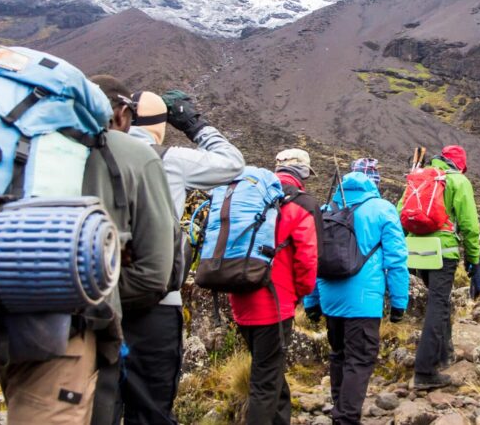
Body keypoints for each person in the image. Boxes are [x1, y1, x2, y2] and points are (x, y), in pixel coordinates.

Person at [111, 90, 243, 423]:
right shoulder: (170, 159)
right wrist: (195, 125)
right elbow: (232, 163)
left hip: (94, 299)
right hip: (155, 302)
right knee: (151, 409)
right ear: (161, 124)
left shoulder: (87, 154)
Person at [82, 75, 176, 425]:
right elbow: (155, 272)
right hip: (117, 316)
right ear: (122, 114)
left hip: (27, 321)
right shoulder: (140, 157)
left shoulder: (39, 150)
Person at [303, 168, 409, 425]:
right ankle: (346, 418)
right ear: (372, 185)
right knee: (360, 359)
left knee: (339, 354)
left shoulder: (328, 208)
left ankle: (340, 408)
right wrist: (399, 301)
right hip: (364, 301)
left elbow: (313, 257)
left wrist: (311, 301)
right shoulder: (382, 209)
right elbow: (396, 261)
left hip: (330, 299)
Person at [229, 149, 320, 425]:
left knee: (269, 370)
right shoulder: (300, 205)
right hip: (274, 305)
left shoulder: (249, 198)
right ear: (303, 172)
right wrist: (301, 294)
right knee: (265, 382)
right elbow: (307, 260)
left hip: (240, 297)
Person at [401, 145, 480, 390]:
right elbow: (469, 225)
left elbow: (400, 213)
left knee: (440, 303)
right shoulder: (458, 181)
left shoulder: (419, 177)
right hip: (442, 251)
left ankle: (444, 354)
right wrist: (473, 258)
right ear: (460, 164)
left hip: (413, 252)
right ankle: (425, 371)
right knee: (437, 305)